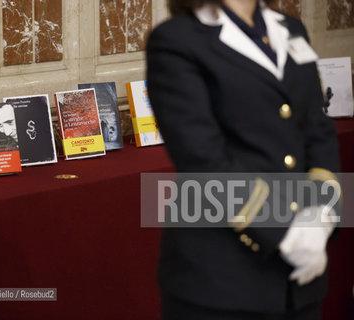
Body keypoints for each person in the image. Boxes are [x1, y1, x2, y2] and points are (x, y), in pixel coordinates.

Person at [146, 0, 340, 319]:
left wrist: (323, 218)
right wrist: (286, 233)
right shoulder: (176, 39)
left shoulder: (290, 29)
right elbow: (202, 159)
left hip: (300, 282)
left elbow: (318, 132)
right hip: (220, 282)